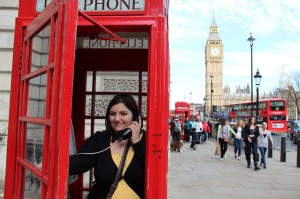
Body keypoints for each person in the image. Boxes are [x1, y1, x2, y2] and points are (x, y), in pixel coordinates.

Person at [69, 94, 145, 199]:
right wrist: (52, 165)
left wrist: (136, 142)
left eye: (123, 113)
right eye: (112, 114)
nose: (117, 118)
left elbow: (155, 169)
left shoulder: (147, 141)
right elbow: (81, 161)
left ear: (135, 117)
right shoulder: (100, 139)